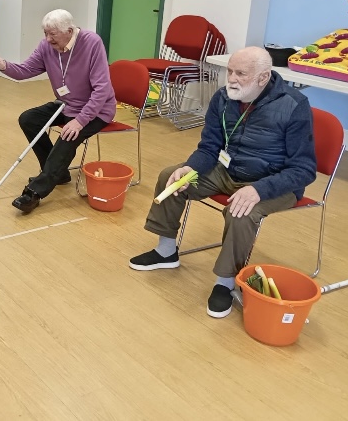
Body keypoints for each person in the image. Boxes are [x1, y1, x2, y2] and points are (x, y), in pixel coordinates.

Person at [128, 46, 317, 319]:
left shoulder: (293, 105)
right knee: (170, 177)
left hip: (272, 182)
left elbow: (304, 169)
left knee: (241, 213)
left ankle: (226, 283)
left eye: (241, 73)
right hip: (226, 171)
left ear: (263, 78)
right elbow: (209, 148)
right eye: (230, 71)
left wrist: (259, 189)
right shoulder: (223, 98)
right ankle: (166, 251)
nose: (232, 79)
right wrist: (189, 168)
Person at [0, 9, 116, 214]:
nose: (47, 39)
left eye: (52, 34)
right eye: (45, 33)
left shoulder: (91, 43)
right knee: (29, 119)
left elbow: (102, 89)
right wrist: (1, 64)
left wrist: (80, 121)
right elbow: (25, 71)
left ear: (69, 31)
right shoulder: (46, 46)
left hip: (96, 110)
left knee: (68, 136)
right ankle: (57, 173)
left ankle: (34, 192)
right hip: (66, 104)